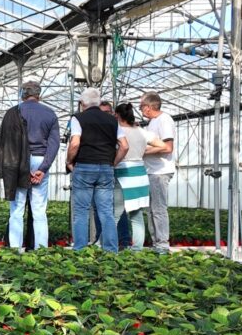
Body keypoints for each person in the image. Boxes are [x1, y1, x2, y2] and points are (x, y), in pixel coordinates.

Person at [66, 88, 129, 252]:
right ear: (99, 102)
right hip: (105, 168)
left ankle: (80, 250)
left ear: (82, 103)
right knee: (106, 211)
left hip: (84, 167)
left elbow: (75, 143)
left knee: (81, 212)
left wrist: (69, 160)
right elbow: (124, 146)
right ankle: (111, 251)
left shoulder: (78, 118)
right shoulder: (112, 120)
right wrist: (112, 162)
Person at [9, 81, 59, 249]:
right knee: (39, 210)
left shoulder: (14, 112)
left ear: (23, 94)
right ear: (39, 94)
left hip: (19, 160)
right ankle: (41, 250)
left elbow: (8, 142)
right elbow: (54, 144)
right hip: (40, 159)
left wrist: (20, 166)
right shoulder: (50, 113)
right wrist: (43, 169)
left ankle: (15, 250)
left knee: (17, 208)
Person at [113, 102, 156, 251]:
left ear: (117, 115)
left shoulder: (118, 131)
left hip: (123, 173)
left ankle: (108, 246)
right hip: (140, 174)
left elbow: (121, 148)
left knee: (115, 214)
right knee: (136, 215)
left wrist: (114, 162)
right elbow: (163, 146)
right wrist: (142, 151)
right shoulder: (142, 131)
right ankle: (137, 249)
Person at [140, 91, 176, 254]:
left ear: (148, 107)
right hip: (151, 171)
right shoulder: (152, 123)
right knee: (151, 210)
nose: (141, 110)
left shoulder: (164, 120)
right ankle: (156, 243)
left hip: (160, 172)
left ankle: (162, 244)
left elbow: (167, 148)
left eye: (141, 106)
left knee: (159, 209)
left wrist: (143, 151)